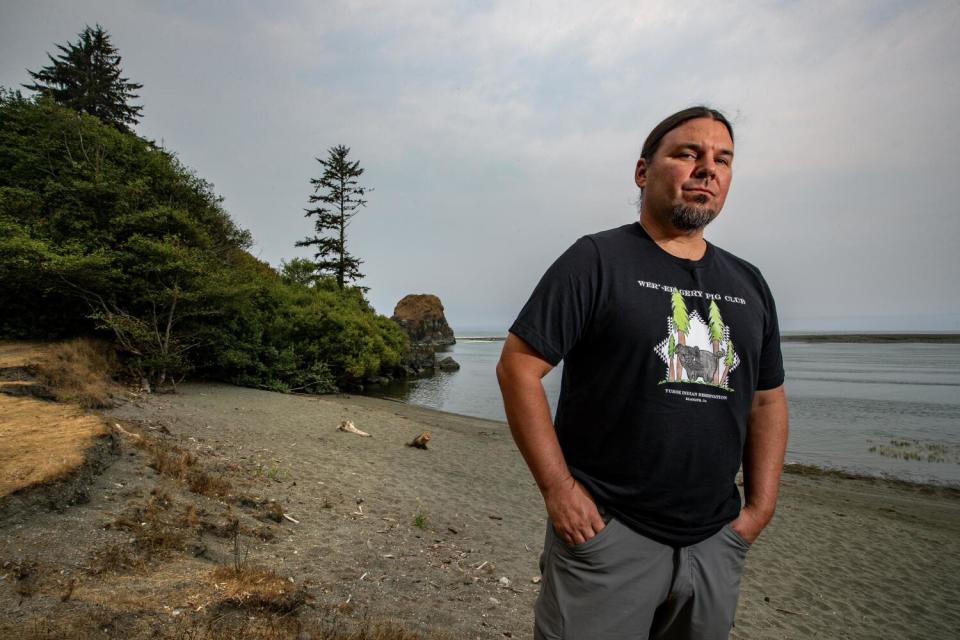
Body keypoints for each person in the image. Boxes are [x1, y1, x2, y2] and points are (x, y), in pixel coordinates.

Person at [496, 106, 789, 640]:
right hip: (609, 535)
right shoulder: (597, 260)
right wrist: (559, 488)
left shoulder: (749, 283)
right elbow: (518, 366)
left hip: (715, 543)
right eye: (687, 154)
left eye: (722, 160)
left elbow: (767, 400)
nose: (707, 169)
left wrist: (759, 510)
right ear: (643, 172)